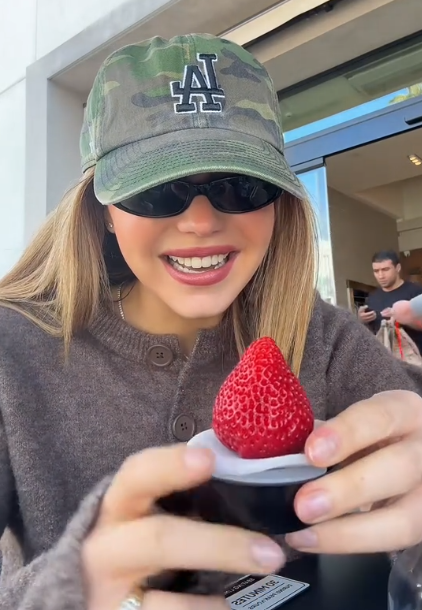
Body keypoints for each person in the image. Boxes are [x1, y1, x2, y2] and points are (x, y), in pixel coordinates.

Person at [1, 34, 422, 610]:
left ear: (279, 202)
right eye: (157, 190)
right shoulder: (11, 351)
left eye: (239, 184)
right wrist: (70, 592)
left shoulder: (323, 339)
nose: (201, 222)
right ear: (102, 210)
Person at [358, 250, 422, 353]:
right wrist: (362, 321)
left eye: (385, 269)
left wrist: (404, 316)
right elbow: (371, 334)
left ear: (398, 268)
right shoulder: (372, 298)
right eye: (376, 271)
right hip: (386, 361)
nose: (381, 276)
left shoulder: (416, 292)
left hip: (414, 359)